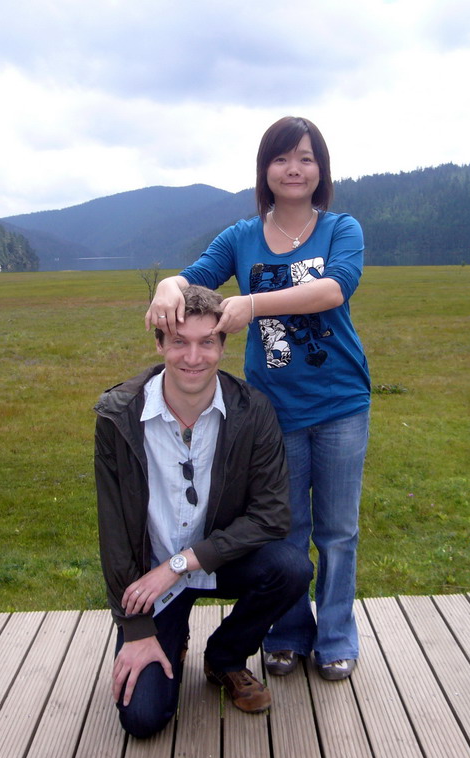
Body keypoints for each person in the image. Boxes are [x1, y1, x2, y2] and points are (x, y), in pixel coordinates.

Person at [146, 117, 370, 681]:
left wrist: (254, 303)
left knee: (338, 532)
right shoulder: (241, 237)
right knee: (286, 529)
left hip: (341, 402)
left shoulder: (342, 228)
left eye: (306, 158)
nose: (294, 169)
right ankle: (289, 633)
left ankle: (337, 635)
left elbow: (334, 288)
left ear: (321, 169)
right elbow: (190, 278)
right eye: (281, 158)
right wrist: (164, 288)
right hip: (272, 411)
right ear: (265, 170)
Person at [94, 284, 312, 739]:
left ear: (222, 346)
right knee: (142, 720)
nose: (193, 357)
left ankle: (226, 657)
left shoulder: (253, 411)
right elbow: (114, 533)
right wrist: (135, 630)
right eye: (179, 341)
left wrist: (181, 564)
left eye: (206, 342)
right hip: (153, 584)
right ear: (159, 344)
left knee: (291, 568)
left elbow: (273, 516)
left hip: (214, 563)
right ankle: (170, 639)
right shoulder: (118, 416)